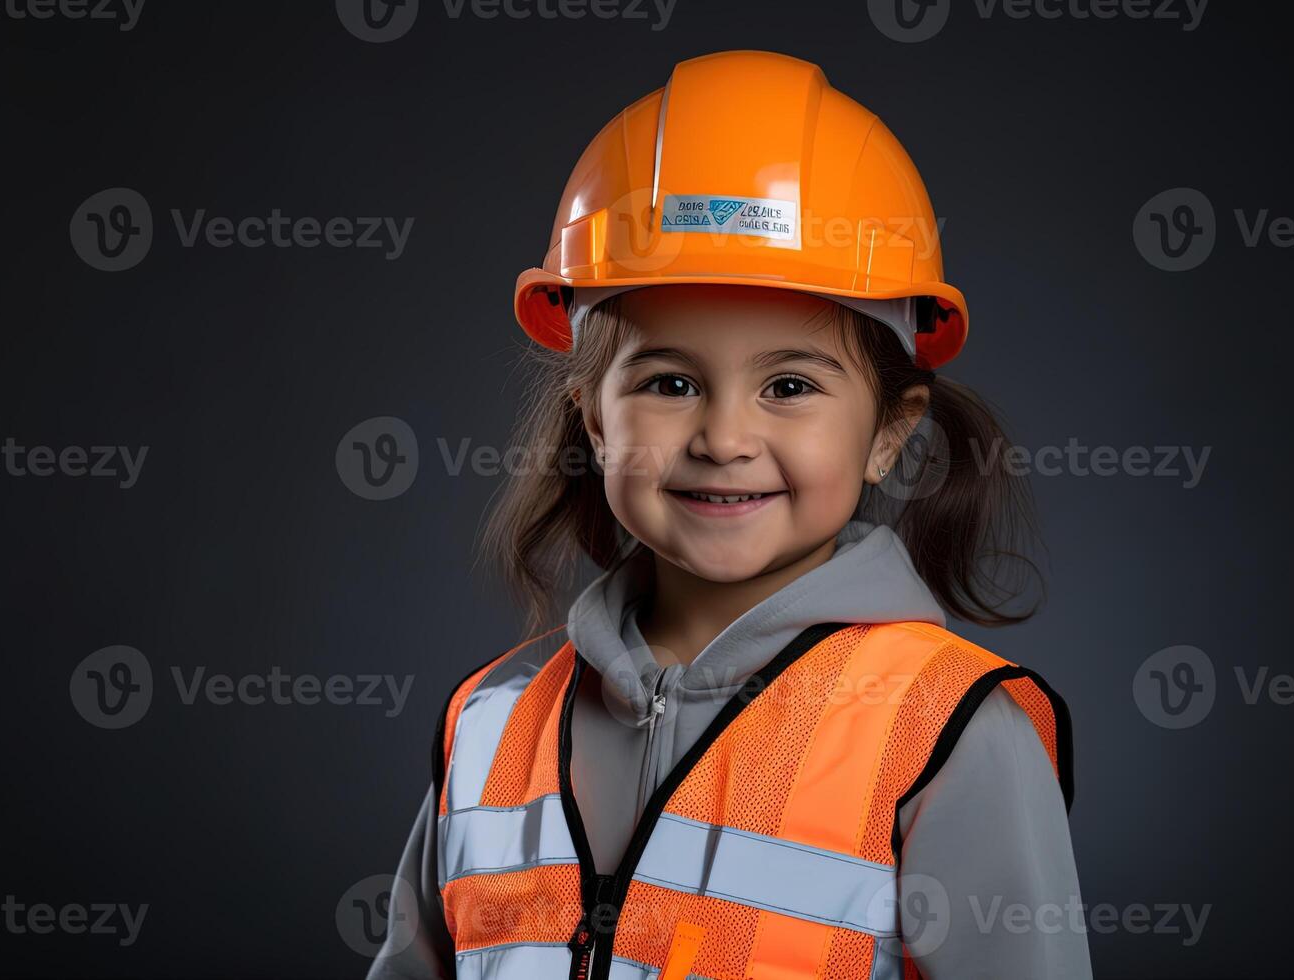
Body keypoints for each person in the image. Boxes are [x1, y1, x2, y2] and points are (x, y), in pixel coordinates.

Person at [368, 50, 1091, 980]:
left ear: (888, 433)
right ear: (594, 417)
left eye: (789, 385)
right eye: (670, 382)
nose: (723, 436)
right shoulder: (490, 724)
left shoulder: (947, 732)